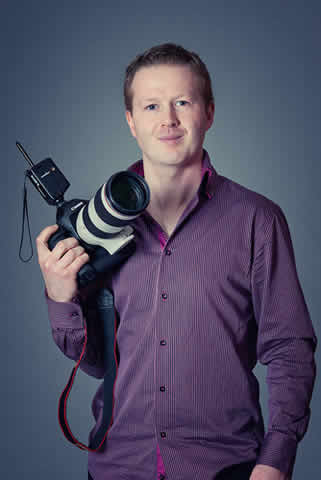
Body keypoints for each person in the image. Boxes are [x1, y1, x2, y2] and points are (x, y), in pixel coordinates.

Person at [36, 43, 317, 480]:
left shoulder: (258, 219)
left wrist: (275, 461)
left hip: (228, 466)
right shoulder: (94, 225)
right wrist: (59, 295)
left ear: (208, 112)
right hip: (118, 467)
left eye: (182, 102)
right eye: (151, 105)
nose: (167, 118)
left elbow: (289, 348)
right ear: (131, 121)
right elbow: (94, 361)